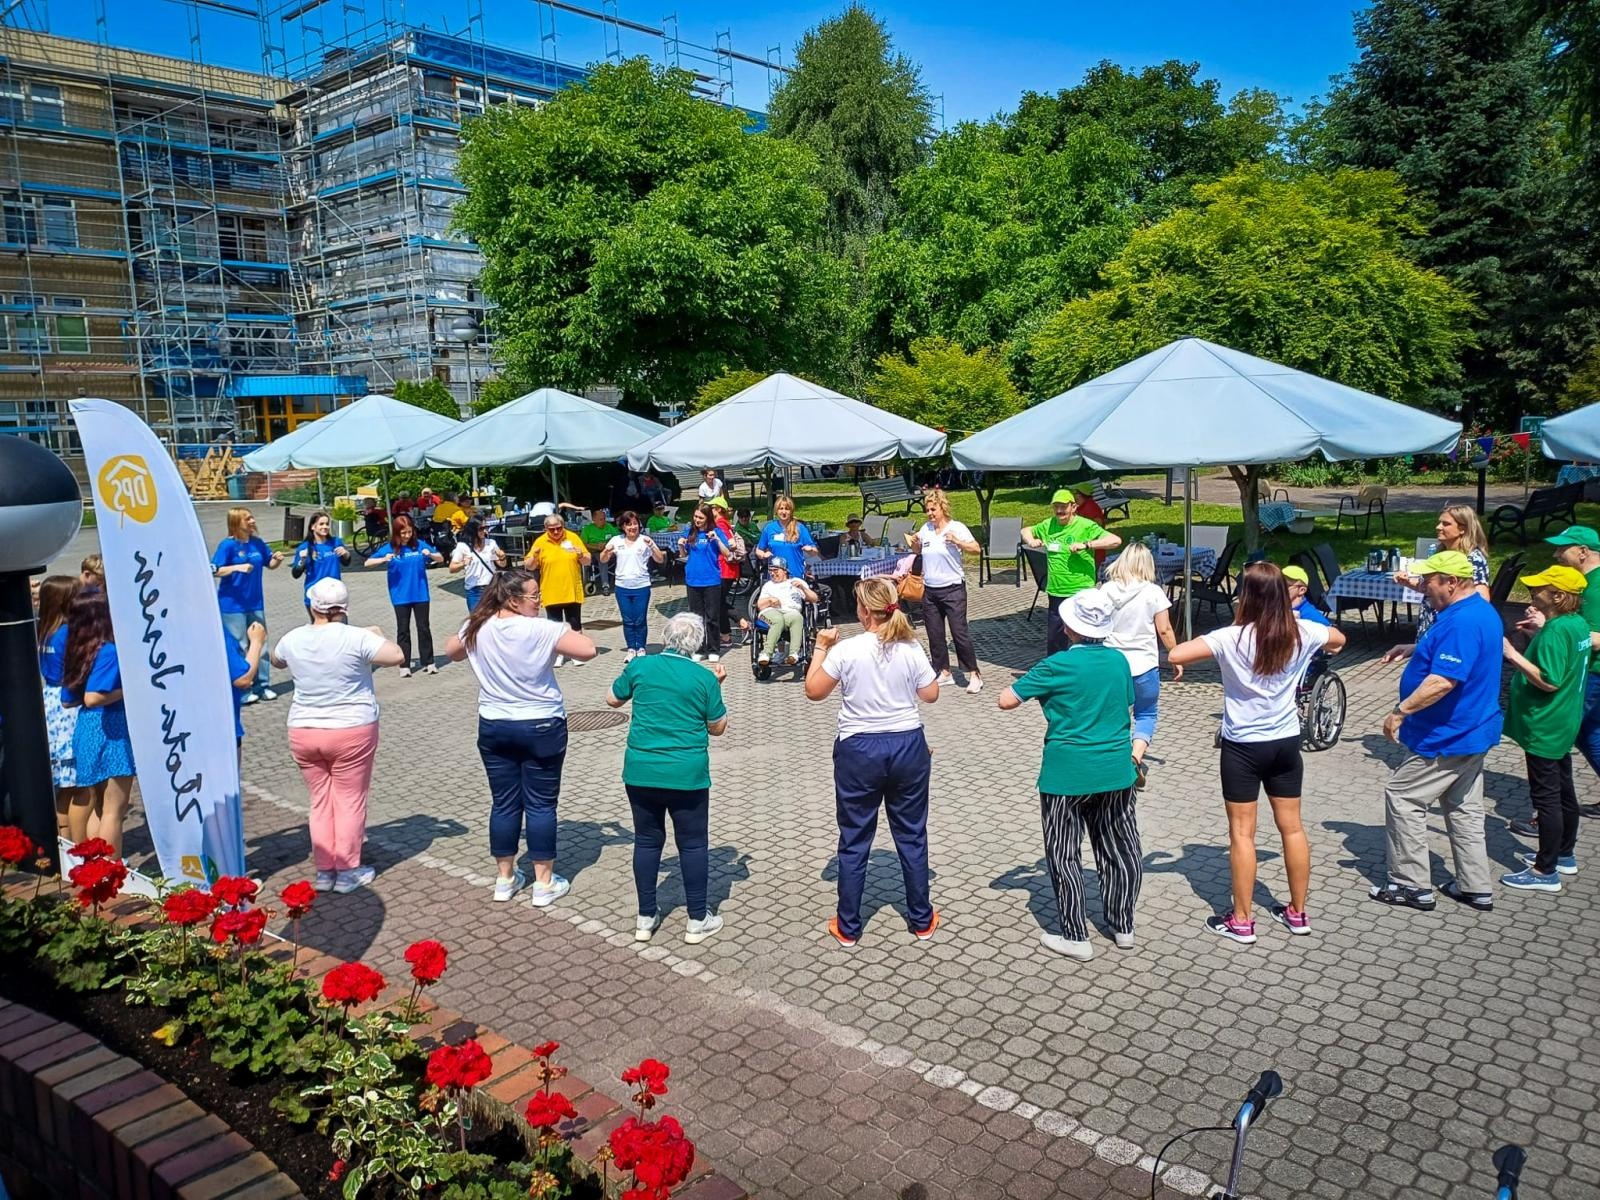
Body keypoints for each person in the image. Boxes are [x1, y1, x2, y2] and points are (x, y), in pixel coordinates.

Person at [1169, 562, 1343, 944]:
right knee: (1292, 827)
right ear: (1284, 594)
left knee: (1242, 834)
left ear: (1245, 596)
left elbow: (1177, 654)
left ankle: (1243, 920)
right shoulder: (1302, 631)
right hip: (1285, 742)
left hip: (1243, 746)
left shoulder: (1230, 637)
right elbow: (1339, 639)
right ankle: (1297, 913)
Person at [999, 589, 1140, 959]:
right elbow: (1126, 703)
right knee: (1119, 848)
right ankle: (1122, 924)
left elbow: (1006, 699)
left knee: (1064, 853)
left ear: (1069, 629)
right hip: (1115, 768)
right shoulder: (1119, 662)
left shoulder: (1054, 665)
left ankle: (1076, 935)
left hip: (1066, 773)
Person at [445, 568, 597, 907]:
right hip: (541, 723)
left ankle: (505, 878)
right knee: (541, 803)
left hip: (495, 724)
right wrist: (561, 627)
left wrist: (474, 622)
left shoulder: (478, 626)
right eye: (534, 596)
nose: (539, 601)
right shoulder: (542, 628)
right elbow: (587, 650)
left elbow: (451, 650)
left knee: (504, 802)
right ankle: (543, 883)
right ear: (513, 599)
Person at [805, 577, 942, 946]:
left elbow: (814, 691)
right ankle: (921, 919)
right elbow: (930, 694)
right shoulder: (910, 647)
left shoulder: (847, 649)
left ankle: (848, 927)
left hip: (859, 749)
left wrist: (819, 648)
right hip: (907, 744)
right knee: (912, 834)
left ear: (864, 611)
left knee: (854, 838)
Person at [1372, 551, 1505, 913]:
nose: (1422, 588)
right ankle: (1474, 886)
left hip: (1448, 735)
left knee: (1402, 796)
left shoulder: (1462, 621)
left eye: (1428, 581)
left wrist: (1399, 712)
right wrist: (1418, 648)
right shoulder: (1477, 611)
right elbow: (1462, 653)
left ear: (1451, 581)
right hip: (1475, 731)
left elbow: (1443, 681)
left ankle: (1410, 884)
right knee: (1463, 808)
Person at [271, 579, 404, 893]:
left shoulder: (293, 637)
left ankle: (324, 870)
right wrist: (377, 634)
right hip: (350, 728)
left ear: (312, 605)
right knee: (349, 801)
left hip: (304, 729)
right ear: (343, 608)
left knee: (320, 801)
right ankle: (347, 871)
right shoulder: (356, 636)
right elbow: (396, 655)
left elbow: (277, 660)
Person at [606, 612, 729, 944]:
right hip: (686, 773)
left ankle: (645, 916)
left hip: (641, 769)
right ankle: (697, 918)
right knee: (692, 844)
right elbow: (717, 727)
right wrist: (716, 687)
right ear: (697, 643)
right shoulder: (702, 677)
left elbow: (612, 699)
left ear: (666, 637)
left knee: (646, 841)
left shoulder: (641, 666)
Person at [1500, 566, 1591, 892]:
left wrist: (1512, 654)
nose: (1532, 593)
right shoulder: (1574, 625)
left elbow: (1549, 681)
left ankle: (1544, 871)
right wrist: (1535, 636)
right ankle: (1564, 855)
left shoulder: (1555, 631)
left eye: (1540, 589)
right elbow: (1563, 660)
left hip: (1545, 726)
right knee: (1565, 792)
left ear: (1558, 596)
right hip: (1564, 721)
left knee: (1547, 800)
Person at [60, 590, 136, 858]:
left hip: (86, 729)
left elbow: (68, 700)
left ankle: (95, 863)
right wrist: (130, 688)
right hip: (111, 730)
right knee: (115, 808)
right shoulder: (109, 651)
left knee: (99, 804)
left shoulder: (77, 649)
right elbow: (93, 698)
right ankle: (111, 869)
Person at [1103, 542, 1182, 788]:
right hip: (1145, 665)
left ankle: (1112, 757)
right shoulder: (1153, 592)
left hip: (1113, 664)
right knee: (1146, 713)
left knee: (1114, 714)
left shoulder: (1107, 590)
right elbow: (1164, 629)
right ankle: (1136, 756)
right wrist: (1175, 655)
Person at [1542, 524, 1600, 820]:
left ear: (1583, 552)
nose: (1556, 554)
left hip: (1593, 674)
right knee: (1588, 734)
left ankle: (1549, 815)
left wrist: (1553, 629)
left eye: (1561, 549)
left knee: (1557, 737)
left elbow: (1599, 638)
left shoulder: (1597, 586)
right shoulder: (1589, 581)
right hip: (1589, 672)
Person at [1021, 489, 1121, 655]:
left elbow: (1115, 540)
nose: (1060, 511)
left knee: (1084, 636)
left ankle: (1086, 668)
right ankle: (1057, 672)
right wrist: (1031, 540)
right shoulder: (1048, 525)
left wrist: (1087, 545)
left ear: (1073, 507)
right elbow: (1025, 530)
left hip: (1081, 591)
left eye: (1063, 507)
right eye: (1056, 507)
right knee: (1055, 639)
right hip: (1057, 591)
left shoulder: (1085, 525)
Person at [908, 488, 983, 694]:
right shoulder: (926, 529)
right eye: (927, 510)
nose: (930, 514)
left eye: (934, 509)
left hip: (953, 588)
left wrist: (958, 542)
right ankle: (944, 671)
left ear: (943, 508)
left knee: (959, 632)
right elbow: (918, 552)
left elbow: (977, 549)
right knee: (934, 633)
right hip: (931, 589)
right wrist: (915, 544)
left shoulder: (956, 527)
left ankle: (974, 673)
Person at [1389, 506, 1491, 650]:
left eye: (1446, 524)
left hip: (1448, 634)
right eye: (1439, 522)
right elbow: (1433, 588)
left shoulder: (1472, 558)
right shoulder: (1441, 553)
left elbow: (1482, 599)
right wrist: (1407, 582)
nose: (1438, 527)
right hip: (1430, 632)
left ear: (1463, 528)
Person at [212, 507, 283, 702]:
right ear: (237, 522)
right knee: (241, 645)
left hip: (255, 602)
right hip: (233, 605)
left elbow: (270, 563)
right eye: (247, 518)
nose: (252, 521)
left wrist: (276, 560)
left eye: (252, 517)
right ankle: (244, 690)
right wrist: (237, 567)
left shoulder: (257, 543)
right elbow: (214, 570)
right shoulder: (227, 546)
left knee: (261, 643)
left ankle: (263, 686)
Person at [365, 512, 444, 677]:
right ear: (397, 533)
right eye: (403, 533)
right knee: (403, 629)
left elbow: (440, 558)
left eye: (409, 532)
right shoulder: (390, 548)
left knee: (423, 628)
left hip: (420, 593)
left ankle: (429, 662)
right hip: (400, 595)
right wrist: (382, 559)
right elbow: (368, 562)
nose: (407, 536)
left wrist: (430, 555)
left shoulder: (420, 545)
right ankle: (404, 664)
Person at [36, 574, 82, 839]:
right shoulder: (67, 633)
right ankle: (71, 841)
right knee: (75, 785)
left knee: (63, 785)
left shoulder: (46, 629)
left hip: (51, 699)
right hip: (68, 704)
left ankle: (61, 839)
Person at [523, 511, 592, 663]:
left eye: (558, 528)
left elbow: (587, 561)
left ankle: (577, 652)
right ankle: (558, 654)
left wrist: (581, 555)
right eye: (551, 529)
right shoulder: (540, 542)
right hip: (551, 590)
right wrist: (534, 556)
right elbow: (529, 566)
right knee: (554, 626)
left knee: (575, 623)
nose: (555, 532)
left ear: (563, 526)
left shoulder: (572, 538)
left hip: (571, 588)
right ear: (546, 528)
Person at [603, 511, 666, 660]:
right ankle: (631, 648)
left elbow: (659, 559)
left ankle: (641, 647)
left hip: (641, 586)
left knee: (640, 619)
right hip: (622, 587)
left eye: (635, 524)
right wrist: (607, 551)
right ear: (623, 527)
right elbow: (603, 559)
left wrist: (653, 547)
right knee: (628, 619)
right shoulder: (616, 540)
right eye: (628, 524)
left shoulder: (645, 540)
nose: (632, 527)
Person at [679, 504, 733, 660]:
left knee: (712, 617)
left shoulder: (715, 532)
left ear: (708, 518)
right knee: (696, 618)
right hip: (693, 580)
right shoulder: (690, 532)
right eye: (695, 517)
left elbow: (727, 553)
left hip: (711, 581)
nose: (697, 520)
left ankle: (714, 649)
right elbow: (683, 554)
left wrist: (717, 540)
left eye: (701, 518)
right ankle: (699, 649)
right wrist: (681, 546)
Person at [755, 557, 818, 666]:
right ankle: (766, 654)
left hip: (790, 612)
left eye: (776, 570)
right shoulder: (768, 585)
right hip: (770, 612)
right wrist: (769, 600)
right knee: (778, 620)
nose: (772, 574)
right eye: (771, 571)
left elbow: (814, 599)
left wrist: (803, 588)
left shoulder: (797, 582)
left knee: (797, 617)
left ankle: (793, 654)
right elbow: (759, 605)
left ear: (784, 571)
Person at [291, 510, 351, 608]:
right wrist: (302, 560)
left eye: (327, 524)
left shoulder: (335, 542)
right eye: (321, 524)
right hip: (315, 594)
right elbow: (295, 574)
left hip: (335, 593)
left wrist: (346, 554)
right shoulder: (305, 547)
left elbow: (346, 563)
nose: (325, 527)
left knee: (339, 623)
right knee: (320, 623)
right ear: (313, 527)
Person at [755, 494, 820, 579]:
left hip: (795, 576)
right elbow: (759, 550)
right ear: (776, 511)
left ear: (791, 511)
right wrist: (763, 555)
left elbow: (815, 552)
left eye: (787, 509)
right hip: (775, 577)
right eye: (781, 509)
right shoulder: (769, 528)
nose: (784, 512)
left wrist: (810, 549)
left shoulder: (800, 528)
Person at [448, 518, 506, 612]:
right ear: (472, 530)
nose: (485, 530)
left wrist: (502, 557)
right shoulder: (463, 546)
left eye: (486, 527)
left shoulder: (491, 543)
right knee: (477, 622)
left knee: (494, 620)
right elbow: (452, 568)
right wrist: (463, 563)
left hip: (492, 587)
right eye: (481, 528)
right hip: (474, 590)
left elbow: (502, 565)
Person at [707, 496, 740, 649]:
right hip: (727, 569)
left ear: (718, 509)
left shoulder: (719, 524)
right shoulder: (725, 523)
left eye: (711, 508)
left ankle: (727, 635)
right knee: (719, 601)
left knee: (718, 602)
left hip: (724, 568)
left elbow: (728, 546)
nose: (709, 510)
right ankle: (737, 625)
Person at [579, 507, 620, 595]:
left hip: (608, 550)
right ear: (594, 520)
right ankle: (605, 585)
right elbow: (583, 544)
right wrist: (596, 547)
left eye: (604, 518)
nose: (604, 521)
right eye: (601, 519)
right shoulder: (587, 529)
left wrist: (606, 544)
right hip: (594, 552)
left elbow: (617, 538)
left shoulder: (608, 526)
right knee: (602, 558)